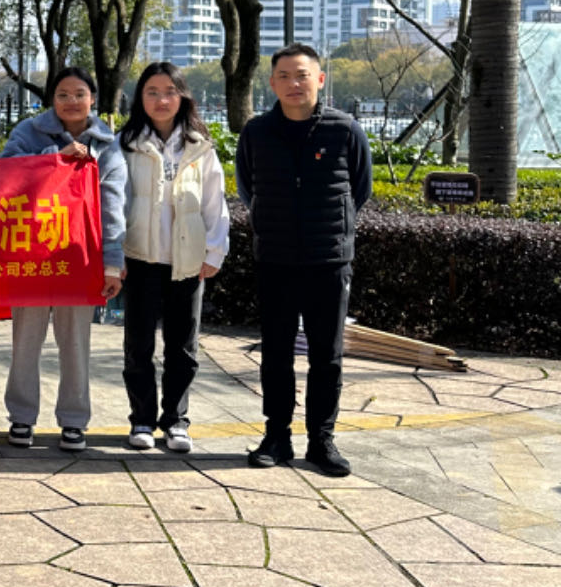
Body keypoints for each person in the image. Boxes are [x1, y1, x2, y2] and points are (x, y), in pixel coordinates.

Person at [236, 43, 372, 478]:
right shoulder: (256, 132)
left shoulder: (345, 130)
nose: (293, 84)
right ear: (272, 83)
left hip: (328, 260)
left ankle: (321, 440)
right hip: (275, 259)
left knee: (326, 356)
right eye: (284, 76)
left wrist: (332, 230)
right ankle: (277, 436)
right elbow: (247, 188)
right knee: (276, 354)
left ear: (320, 79)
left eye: (302, 75)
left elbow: (360, 189)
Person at [1, 67, 127, 451]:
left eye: (80, 94)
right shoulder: (28, 132)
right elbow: (6, 175)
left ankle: (74, 420)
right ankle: (22, 416)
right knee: (26, 341)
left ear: (93, 99)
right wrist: (55, 158)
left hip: (79, 260)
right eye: (63, 94)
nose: (72, 101)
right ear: (51, 99)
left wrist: (112, 263)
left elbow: (113, 207)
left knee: (75, 343)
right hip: (32, 256)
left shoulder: (107, 145)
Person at [117, 62, 229, 454]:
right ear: (140, 98)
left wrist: (214, 250)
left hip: (187, 261)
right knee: (138, 346)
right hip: (139, 258)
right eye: (152, 92)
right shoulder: (126, 144)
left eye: (169, 91)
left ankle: (176, 421)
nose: (161, 100)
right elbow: (114, 203)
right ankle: (142, 420)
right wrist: (114, 255)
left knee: (182, 347)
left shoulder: (200, 146)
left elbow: (214, 202)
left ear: (182, 97)